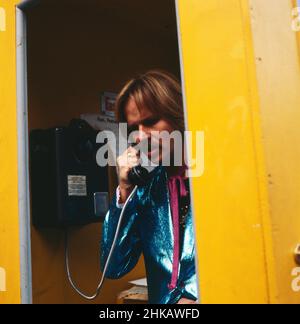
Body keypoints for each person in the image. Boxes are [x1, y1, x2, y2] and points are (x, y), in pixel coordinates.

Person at [101, 70, 198, 304]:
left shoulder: (214, 180)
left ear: (179, 117)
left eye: (151, 122)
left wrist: (195, 296)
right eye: (134, 128)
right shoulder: (146, 190)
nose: (141, 136)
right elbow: (114, 267)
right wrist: (124, 192)